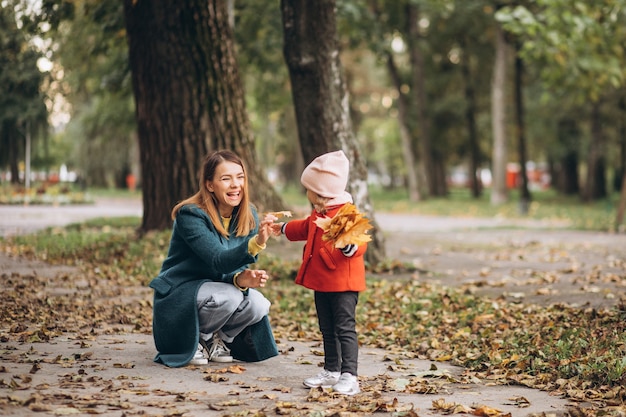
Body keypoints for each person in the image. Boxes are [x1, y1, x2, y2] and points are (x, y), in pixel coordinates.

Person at [149, 150, 278, 367]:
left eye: (240, 177)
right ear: (210, 185)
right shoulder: (190, 215)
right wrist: (256, 243)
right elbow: (218, 259)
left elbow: (233, 268)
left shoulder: (248, 215)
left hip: (217, 290)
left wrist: (242, 280)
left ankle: (220, 340)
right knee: (229, 297)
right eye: (226, 179)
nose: (235, 184)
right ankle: (199, 339)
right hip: (182, 291)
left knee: (258, 304)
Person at [271, 150, 367, 395]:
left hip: (343, 284)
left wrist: (349, 246)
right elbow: (304, 227)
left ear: (321, 192)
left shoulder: (347, 213)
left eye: (309, 188)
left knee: (344, 328)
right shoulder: (319, 213)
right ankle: (332, 369)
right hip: (322, 282)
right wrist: (282, 228)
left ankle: (350, 375)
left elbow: (359, 240)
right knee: (326, 327)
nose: (307, 192)